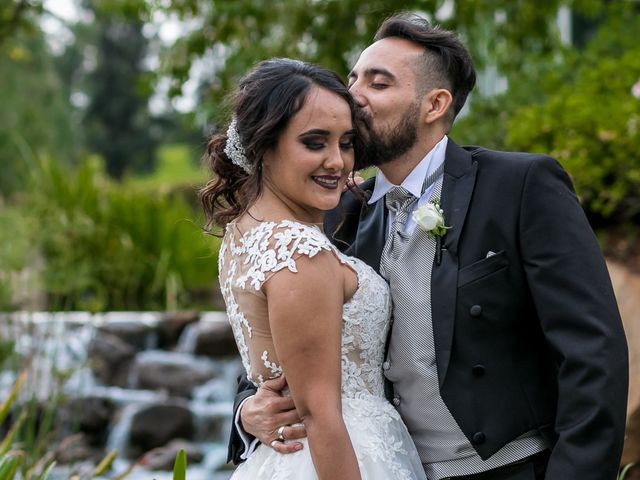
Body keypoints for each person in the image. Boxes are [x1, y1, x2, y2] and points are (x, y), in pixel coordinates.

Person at [231, 14, 629, 480]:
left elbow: (592, 352)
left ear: (434, 104)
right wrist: (246, 412)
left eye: (377, 84)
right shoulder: (338, 210)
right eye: (353, 78)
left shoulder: (519, 186)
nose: (352, 96)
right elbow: (282, 334)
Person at [201, 57, 427, 479]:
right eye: (314, 142)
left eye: (345, 142)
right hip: (341, 455)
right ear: (263, 146)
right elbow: (321, 415)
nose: (338, 162)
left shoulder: (245, 231)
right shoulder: (298, 251)